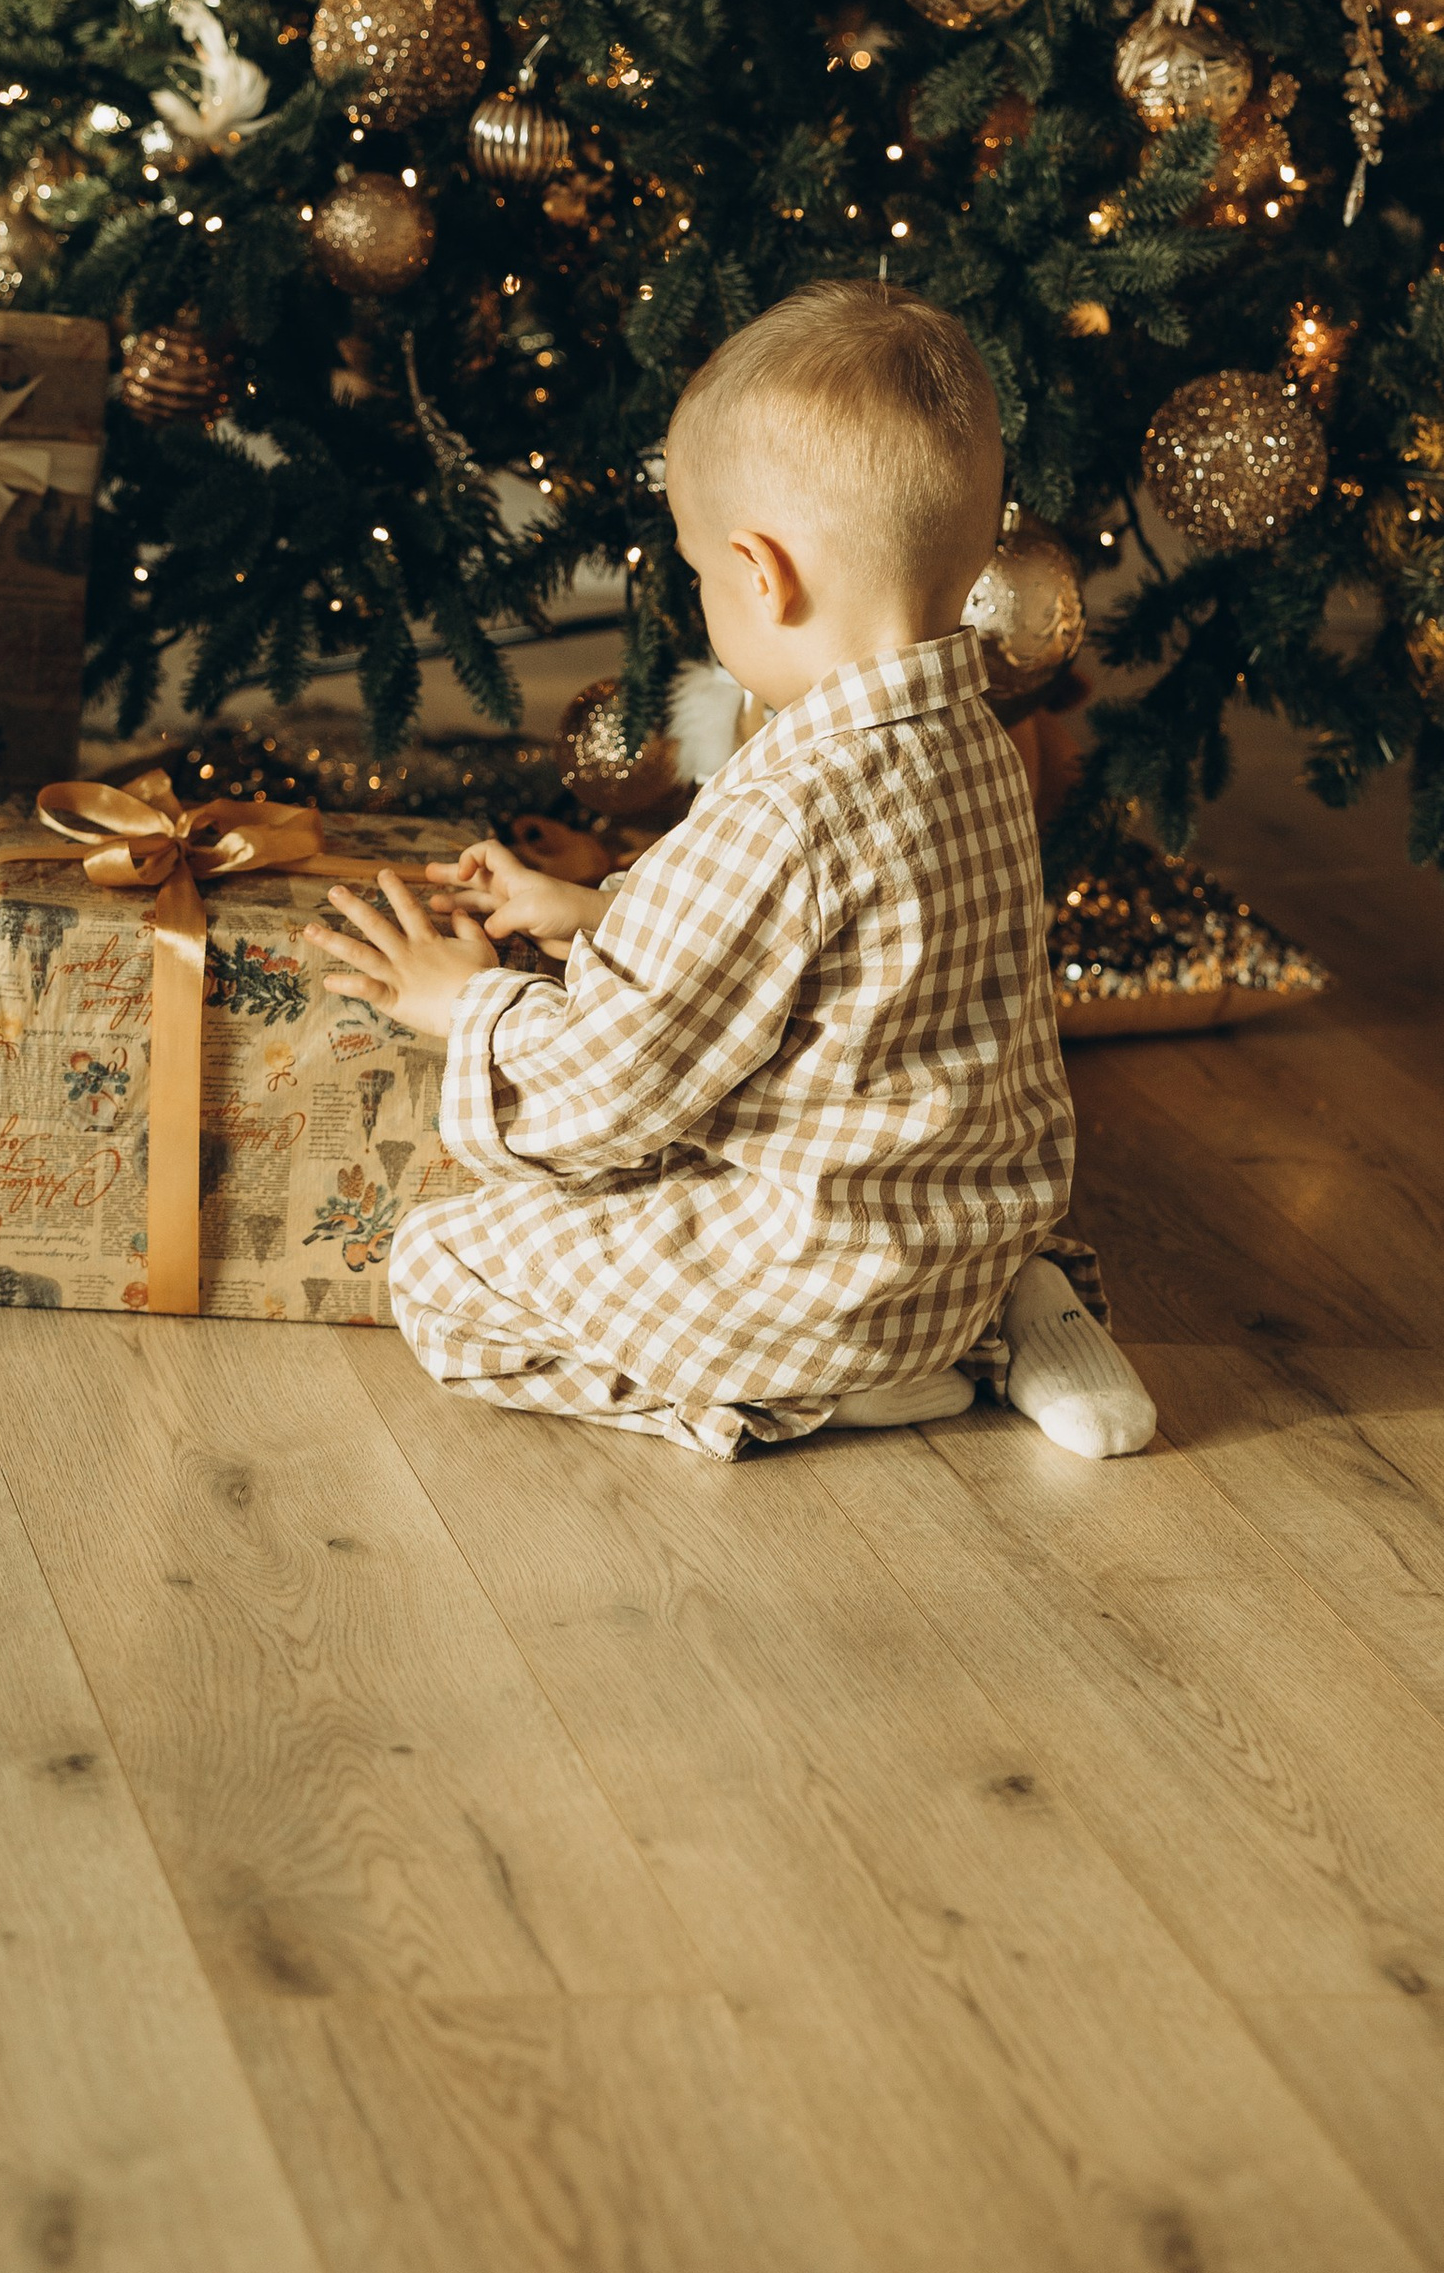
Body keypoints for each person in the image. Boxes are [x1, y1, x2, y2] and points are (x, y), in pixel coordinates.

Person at [309, 283, 1156, 1462]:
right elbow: (839, 965)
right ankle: (1012, 1308)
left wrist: (465, 1004)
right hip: (959, 1237)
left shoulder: (785, 806)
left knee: (443, 1270)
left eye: (700, 574)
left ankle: (795, 1394)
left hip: (815, 1279)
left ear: (763, 576)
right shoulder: (971, 740)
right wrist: (595, 911)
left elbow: (614, 1091)